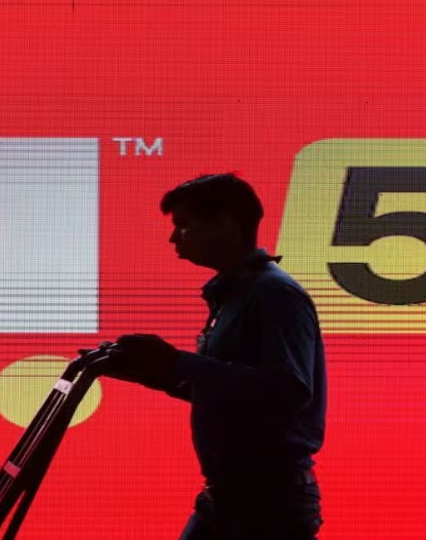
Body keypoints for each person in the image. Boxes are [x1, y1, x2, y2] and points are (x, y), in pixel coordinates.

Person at [95, 173, 327, 539]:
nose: (174, 238)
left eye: (184, 225)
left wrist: (177, 361)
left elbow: (286, 389)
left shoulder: (274, 294)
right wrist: (154, 373)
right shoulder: (237, 294)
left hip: (266, 506)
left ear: (223, 225)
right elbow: (234, 391)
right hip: (233, 498)